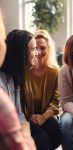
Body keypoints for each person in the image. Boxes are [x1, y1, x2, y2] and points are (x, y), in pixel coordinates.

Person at [0, 9, 36, 150]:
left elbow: (19, 114)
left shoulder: (17, 75)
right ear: (20, 52)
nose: (36, 53)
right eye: (2, 40)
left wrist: (25, 130)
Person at [24, 29, 61, 150]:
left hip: (44, 115)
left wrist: (43, 117)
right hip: (26, 117)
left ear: (49, 49)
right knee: (42, 139)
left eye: (43, 48)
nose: (39, 52)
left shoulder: (55, 72)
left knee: (57, 134)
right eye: (35, 48)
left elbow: (56, 101)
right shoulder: (24, 70)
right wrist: (31, 118)